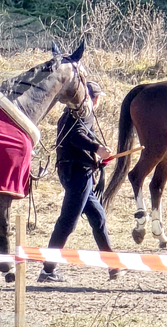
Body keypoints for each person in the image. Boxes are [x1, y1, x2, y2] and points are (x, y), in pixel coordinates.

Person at [37, 81, 116, 284]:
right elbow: (76, 137)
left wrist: (97, 156)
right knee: (67, 223)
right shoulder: (82, 113)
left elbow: (76, 140)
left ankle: (113, 265)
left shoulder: (70, 114)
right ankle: (48, 269)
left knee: (98, 217)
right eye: (97, 97)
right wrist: (97, 148)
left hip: (76, 173)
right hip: (78, 174)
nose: (97, 102)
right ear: (91, 98)